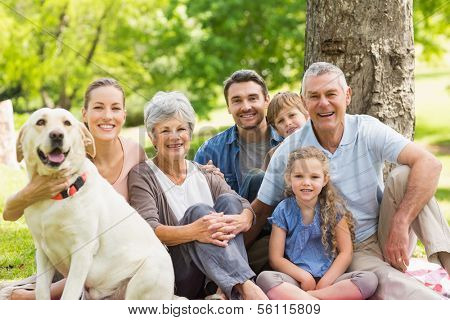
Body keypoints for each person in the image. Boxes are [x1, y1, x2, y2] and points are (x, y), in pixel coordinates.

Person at [251, 62, 450, 299]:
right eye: (314, 96)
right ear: (305, 103)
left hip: (388, 233)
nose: (323, 103)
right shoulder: (290, 151)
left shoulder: (366, 128)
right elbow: (260, 211)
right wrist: (230, 272)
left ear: (347, 96)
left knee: (407, 174)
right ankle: (436, 307)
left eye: (331, 94)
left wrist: (400, 222)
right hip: (348, 250)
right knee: (387, 283)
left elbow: (431, 163)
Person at [1, 77, 146, 300]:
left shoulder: (135, 151)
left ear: (124, 115)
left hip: (111, 262)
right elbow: (9, 213)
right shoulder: (58, 163)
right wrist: (34, 192)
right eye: (98, 107)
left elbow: (156, 183)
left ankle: (34, 297)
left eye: (115, 108)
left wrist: (200, 169)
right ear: (84, 114)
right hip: (67, 264)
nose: (108, 115)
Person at [128, 91, 267, 300]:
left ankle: (222, 290)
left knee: (229, 201)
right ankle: (245, 287)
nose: (175, 137)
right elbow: (149, 229)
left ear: (190, 134)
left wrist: (244, 219)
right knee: (198, 212)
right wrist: (194, 231)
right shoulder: (142, 175)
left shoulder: (206, 174)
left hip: (214, 272)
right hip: (179, 274)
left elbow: (241, 203)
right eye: (165, 130)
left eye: (181, 129)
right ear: (152, 137)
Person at [256, 147, 378, 299]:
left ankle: (309, 300)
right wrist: (304, 277)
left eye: (314, 177)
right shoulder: (283, 210)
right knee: (265, 279)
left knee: (368, 280)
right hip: (296, 281)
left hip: (330, 280)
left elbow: (346, 253)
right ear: (289, 178)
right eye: (299, 176)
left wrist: (324, 283)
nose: (306, 183)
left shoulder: (335, 209)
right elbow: (276, 258)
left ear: (325, 179)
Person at [194, 69, 283, 202]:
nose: (246, 107)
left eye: (252, 98)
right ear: (228, 107)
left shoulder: (288, 140)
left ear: (266, 100)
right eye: (237, 101)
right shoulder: (210, 152)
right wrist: (213, 186)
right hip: (235, 220)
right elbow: (197, 201)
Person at [263, 91, 309, 170]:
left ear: (306, 114)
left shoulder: (322, 141)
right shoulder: (274, 154)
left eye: (292, 115)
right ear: (276, 130)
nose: (288, 123)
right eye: (281, 121)